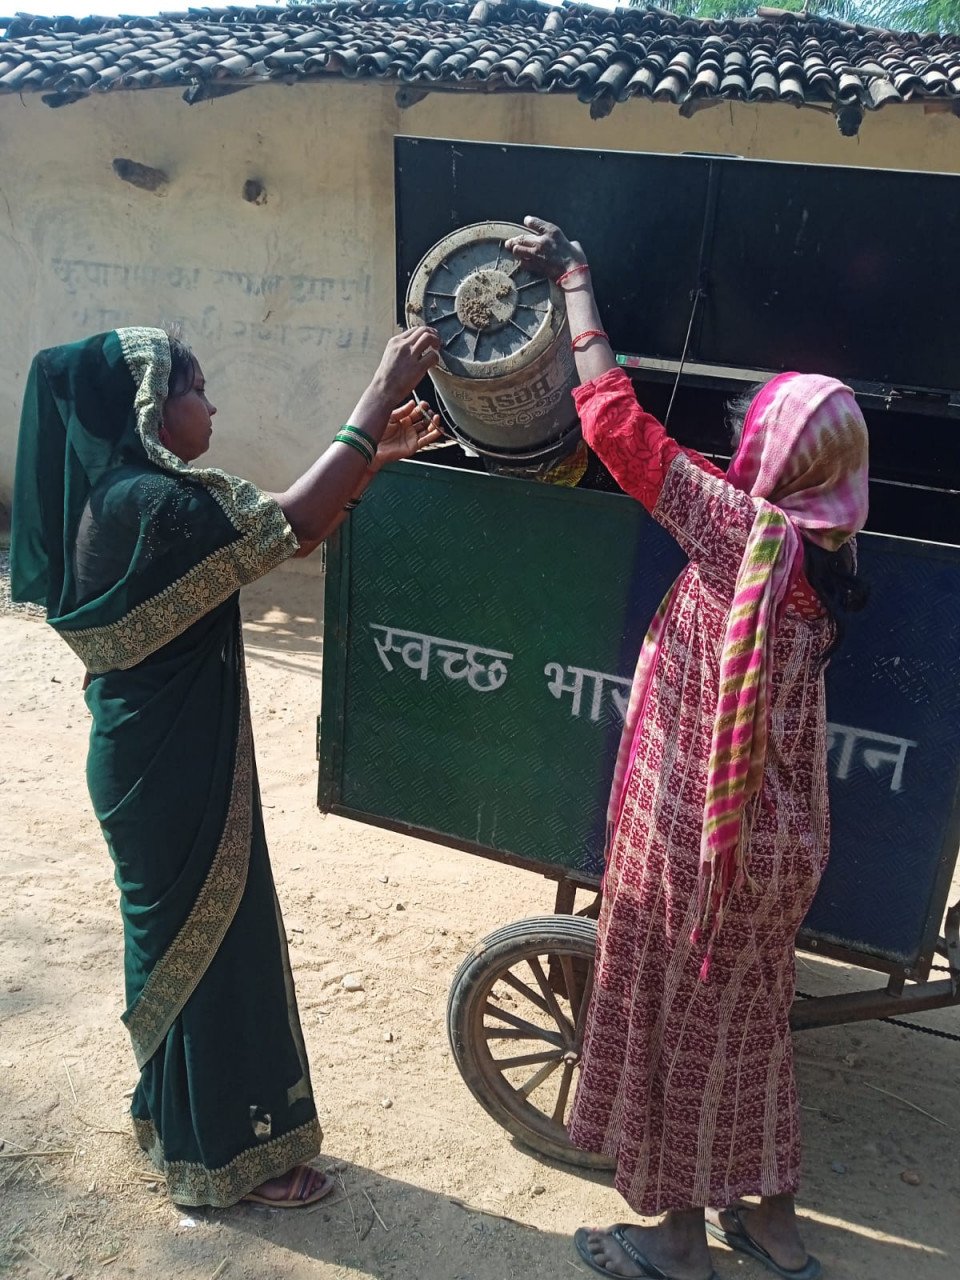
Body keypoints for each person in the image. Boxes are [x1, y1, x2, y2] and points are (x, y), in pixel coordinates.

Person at [507, 219, 869, 1280]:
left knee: (677, 1031)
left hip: (703, 848)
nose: (744, 439)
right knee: (750, 1032)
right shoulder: (832, 540)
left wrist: (576, 282)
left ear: (782, 456)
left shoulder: (741, 538)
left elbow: (618, 429)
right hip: (782, 847)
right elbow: (703, 475)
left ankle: (673, 1242)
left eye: (760, 429)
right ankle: (774, 1228)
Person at [9, 323, 442, 1208]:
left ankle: (183, 1126)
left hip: (151, 757)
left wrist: (371, 461)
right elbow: (292, 522)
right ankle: (218, 1158)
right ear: (149, 406)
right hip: (169, 769)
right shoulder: (152, 506)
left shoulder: (134, 497)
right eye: (196, 388)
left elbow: (286, 532)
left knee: (189, 946)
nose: (211, 405)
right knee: (210, 952)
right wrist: (378, 393)